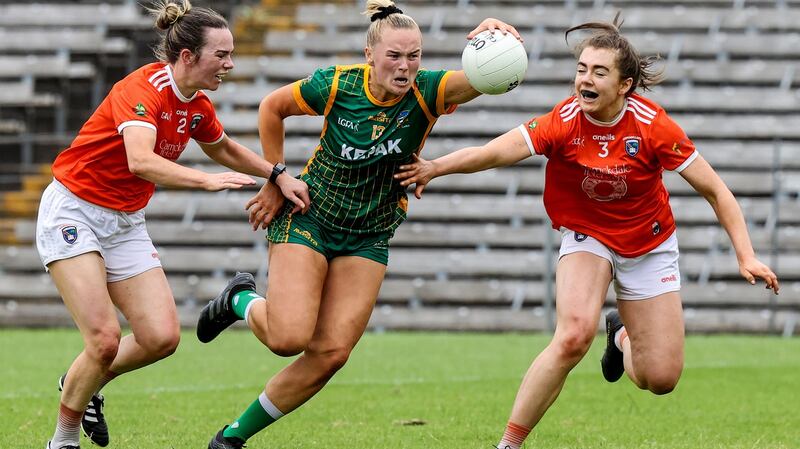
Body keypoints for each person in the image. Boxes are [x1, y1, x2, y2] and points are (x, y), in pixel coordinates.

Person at [394, 13, 780, 449]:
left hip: (649, 245)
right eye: (581, 70)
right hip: (586, 235)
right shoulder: (564, 120)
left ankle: (620, 335)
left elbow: (717, 192)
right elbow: (495, 152)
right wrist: (434, 167)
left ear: (624, 85)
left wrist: (745, 254)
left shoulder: (654, 127)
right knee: (573, 334)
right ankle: (508, 444)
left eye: (599, 72)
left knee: (660, 379)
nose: (585, 80)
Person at [194, 1, 522, 447]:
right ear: (370, 54)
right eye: (394, 56)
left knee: (330, 354)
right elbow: (272, 107)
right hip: (312, 215)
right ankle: (240, 300)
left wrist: (494, 36)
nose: (405, 67)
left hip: (370, 232)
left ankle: (231, 438)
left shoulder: (430, 91)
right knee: (289, 338)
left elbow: (490, 76)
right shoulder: (336, 84)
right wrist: (275, 176)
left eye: (414, 56)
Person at [36, 1, 309, 448]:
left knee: (161, 337)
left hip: (124, 221)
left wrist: (276, 175)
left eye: (231, 53)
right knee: (104, 340)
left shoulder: (196, 104)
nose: (230, 64)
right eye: (221, 55)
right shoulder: (144, 88)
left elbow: (222, 147)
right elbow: (140, 160)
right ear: (187, 56)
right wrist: (204, 181)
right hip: (74, 211)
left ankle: (80, 379)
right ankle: (63, 440)